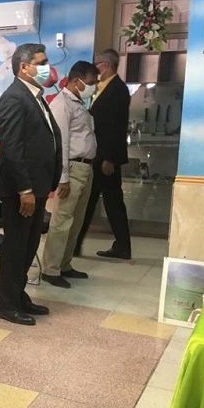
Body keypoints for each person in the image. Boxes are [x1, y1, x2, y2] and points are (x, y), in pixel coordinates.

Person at [0, 43, 62, 326]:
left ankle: (18, 295)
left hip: (38, 186)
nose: (47, 68)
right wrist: (25, 190)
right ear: (24, 67)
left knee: (29, 244)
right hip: (22, 190)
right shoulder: (14, 98)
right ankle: (6, 304)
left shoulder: (35, 96)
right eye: (41, 63)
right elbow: (12, 149)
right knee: (16, 246)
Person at [41, 61, 99, 288]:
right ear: (77, 81)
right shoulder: (62, 104)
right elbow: (61, 143)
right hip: (72, 169)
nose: (94, 87)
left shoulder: (79, 103)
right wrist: (62, 178)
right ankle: (51, 269)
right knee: (62, 221)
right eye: (91, 82)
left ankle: (65, 264)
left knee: (76, 221)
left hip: (85, 168)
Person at [76, 48, 132, 260]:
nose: (94, 68)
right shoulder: (102, 88)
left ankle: (121, 246)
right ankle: (78, 244)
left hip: (105, 157)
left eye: (96, 63)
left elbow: (116, 127)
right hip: (97, 154)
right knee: (97, 200)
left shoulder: (117, 89)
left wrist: (110, 158)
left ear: (105, 65)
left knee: (107, 201)